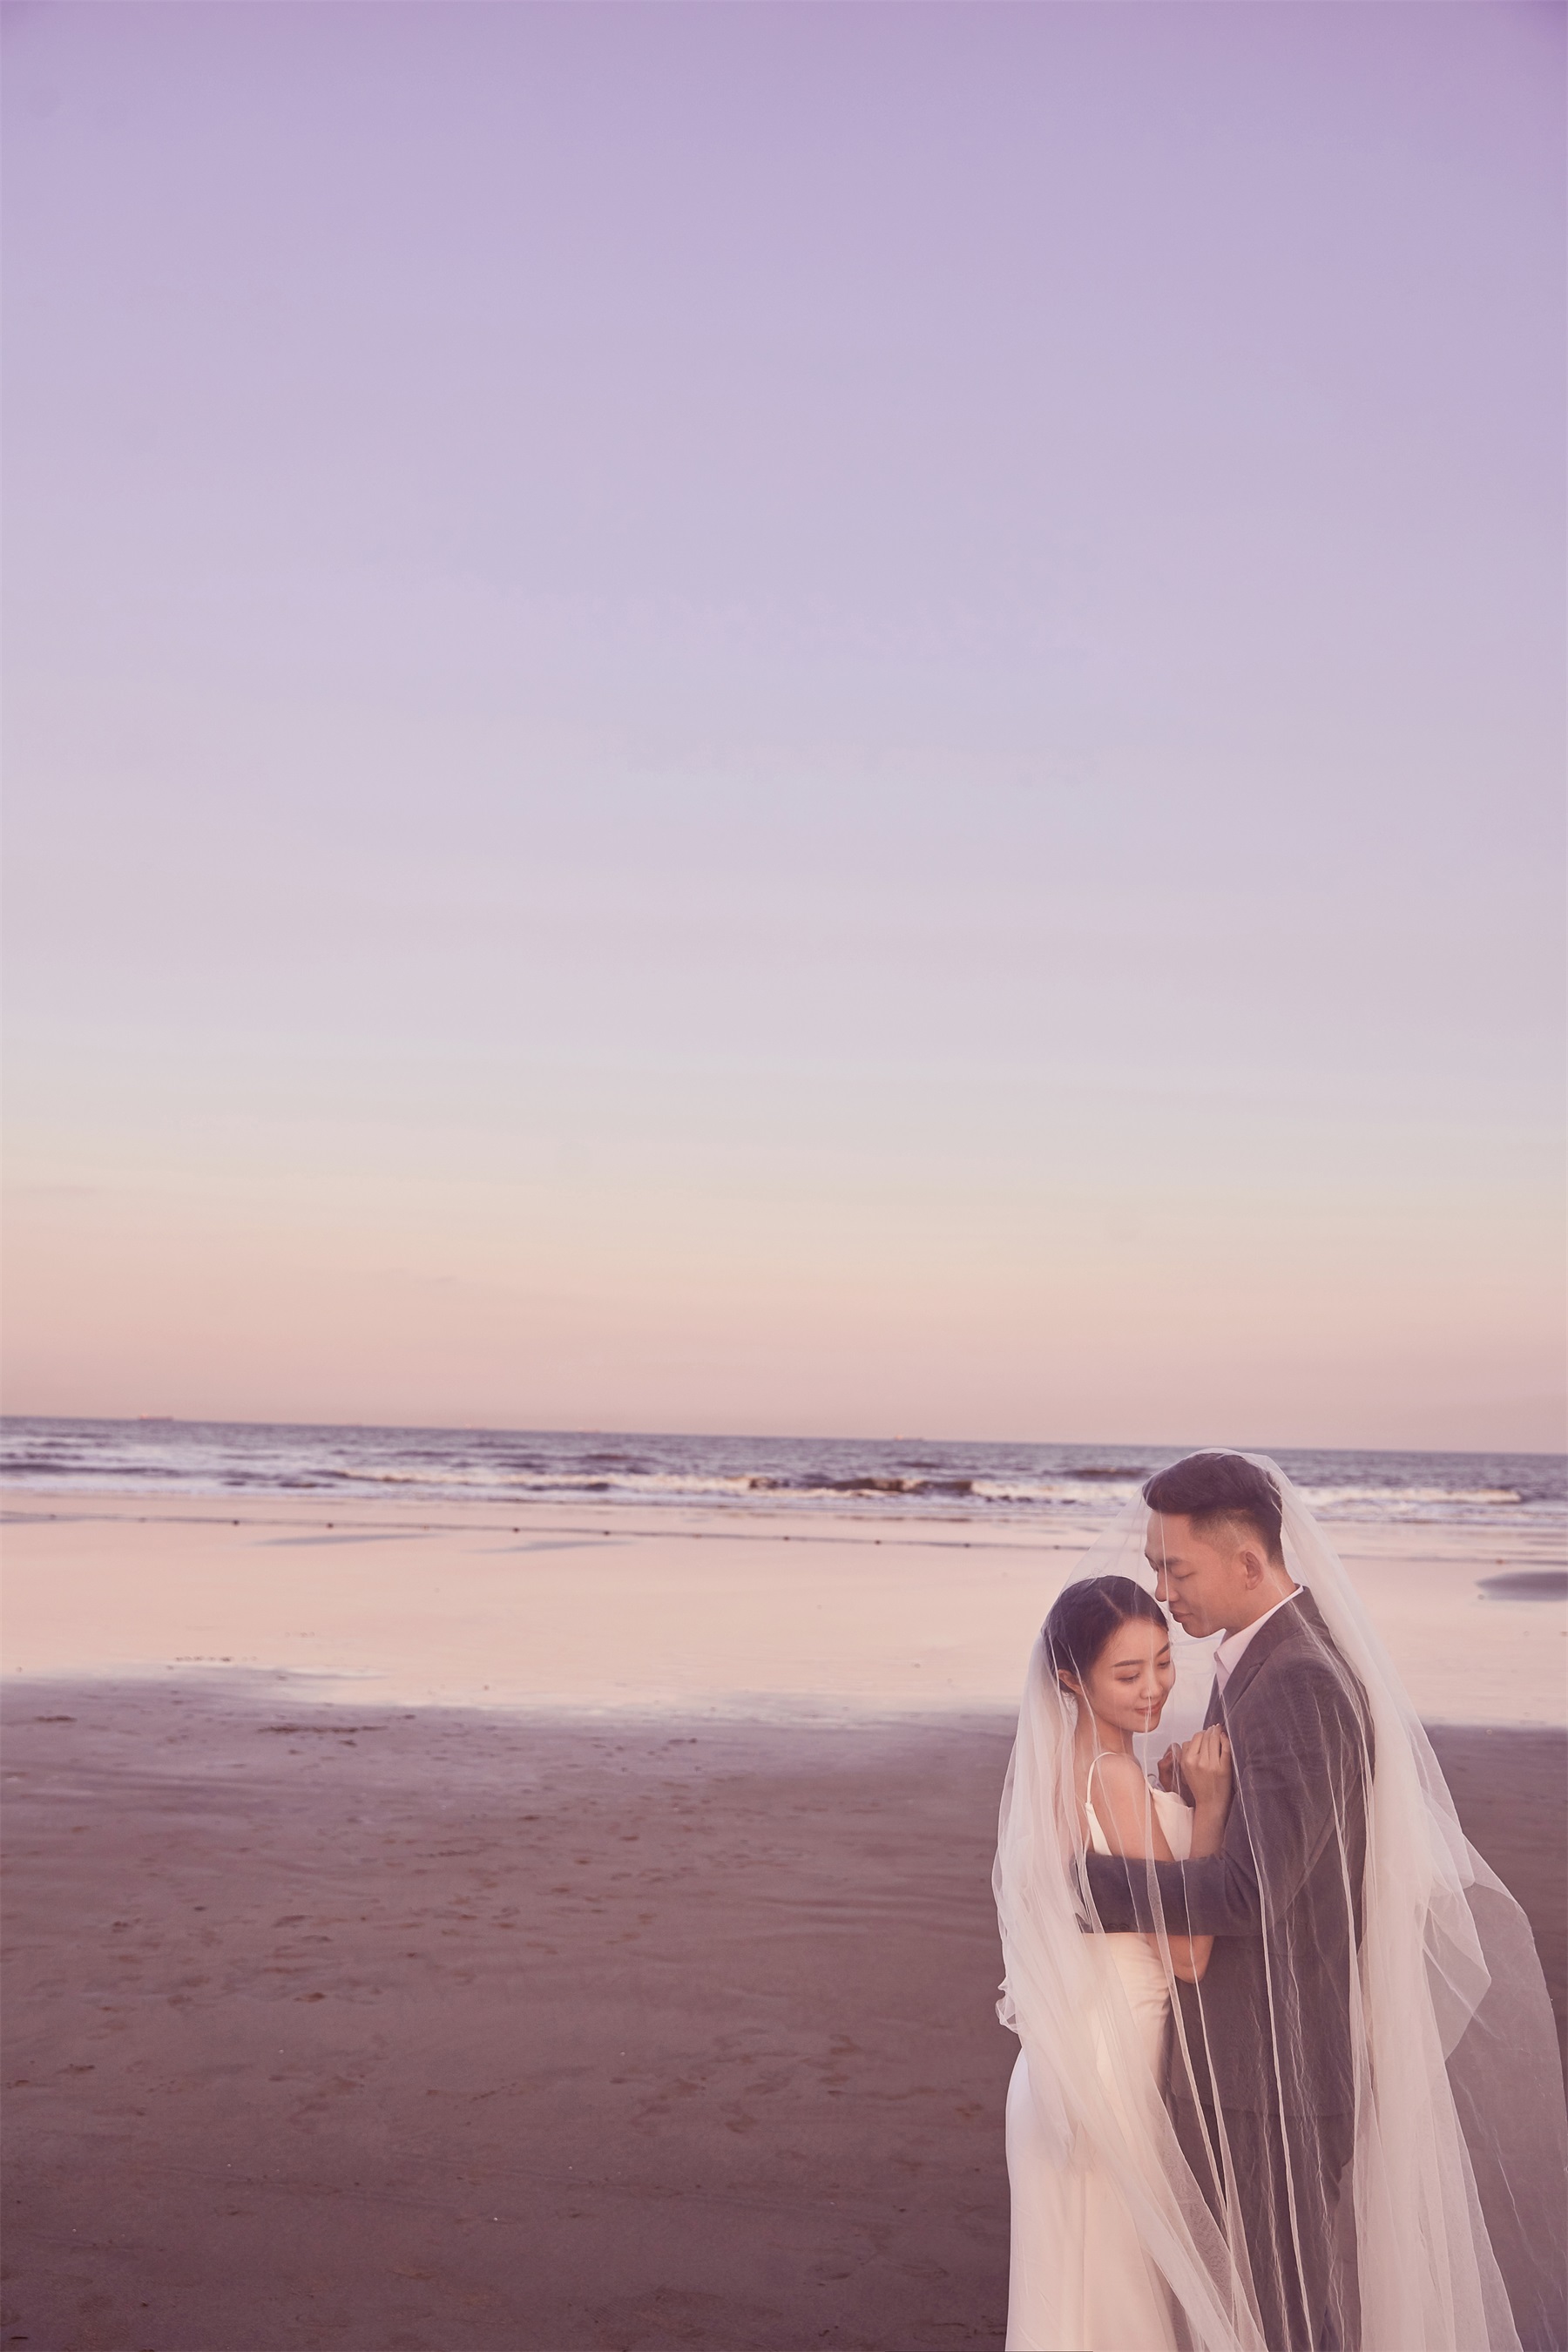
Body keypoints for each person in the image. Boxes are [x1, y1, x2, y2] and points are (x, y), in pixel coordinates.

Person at [994, 1450, 1567, 2352]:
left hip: (1277, 2067)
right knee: (1262, 2306)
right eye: (1155, 1567)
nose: (1163, 1590)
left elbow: (1253, 1890)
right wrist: (1194, 1795)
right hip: (1247, 2058)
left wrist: (1086, 1884)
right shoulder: (1259, 1661)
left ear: (1247, 1562)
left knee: (1281, 2313)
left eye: (1177, 1570)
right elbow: (1279, 1841)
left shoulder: (1297, 1681)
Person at [1002, 1573, 1233, 2349]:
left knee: (1069, 2294)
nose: (1155, 1688)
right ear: (1072, 1679)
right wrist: (1210, 1807)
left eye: (1164, 1662)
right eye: (1128, 1674)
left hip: (1056, 2068)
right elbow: (1188, 1954)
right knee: (1117, 2289)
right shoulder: (1116, 1777)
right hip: (1111, 2066)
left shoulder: (1056, 1773)